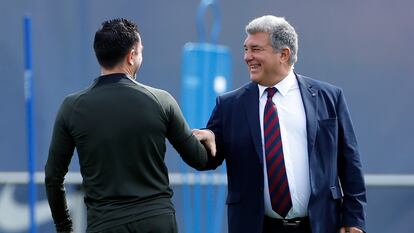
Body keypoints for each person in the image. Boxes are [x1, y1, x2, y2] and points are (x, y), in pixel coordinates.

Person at [194, 15, 366, 233]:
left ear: (283, 54)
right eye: (245, 49)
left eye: (255, 49)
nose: (247, 57)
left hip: (321, 225)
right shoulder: (229, 105)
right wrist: (205, 139)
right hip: (256, 226)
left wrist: (354, 220)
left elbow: (350, 163)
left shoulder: (329, 97)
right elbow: (209, 159)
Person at [44, 18, 215, 233]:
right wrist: (211, 138)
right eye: (141, 51)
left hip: (106, 225)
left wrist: (64, 227)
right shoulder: (161, 101)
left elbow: (53, 177)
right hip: (157, 222)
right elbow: (200, 160)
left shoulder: (72, 107)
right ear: (131, 56)